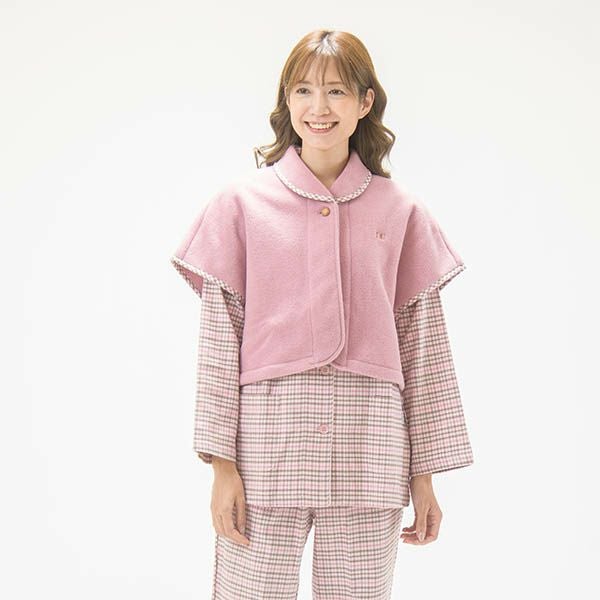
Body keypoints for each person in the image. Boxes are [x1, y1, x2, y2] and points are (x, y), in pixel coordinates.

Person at [171, 29, 474, 600]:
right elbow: (218, 343)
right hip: (266, 450)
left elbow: (424, 348)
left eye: (336, 91)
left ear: (364, 102)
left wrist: (424, 475)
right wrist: (221, 465)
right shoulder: (240, 205)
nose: (319, 107)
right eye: (304, 90)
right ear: (287, 101)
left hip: (371, 449)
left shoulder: (402, 211)